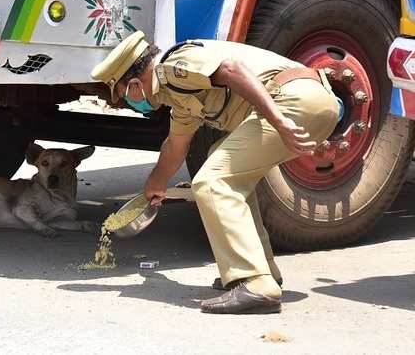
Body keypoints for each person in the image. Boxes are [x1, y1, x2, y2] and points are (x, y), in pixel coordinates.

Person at [91, 31, 339, 314]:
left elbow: (233, 70)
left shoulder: (175, 66)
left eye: (126, 97)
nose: (132, 104)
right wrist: (154, 186)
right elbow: (175, 145)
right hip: (305, 103)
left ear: (135, 83)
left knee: (211, 181)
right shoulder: (179, 96)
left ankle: (255, 284)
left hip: (295, 102)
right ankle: (263, 270)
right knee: (225, 170)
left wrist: (280, 120)